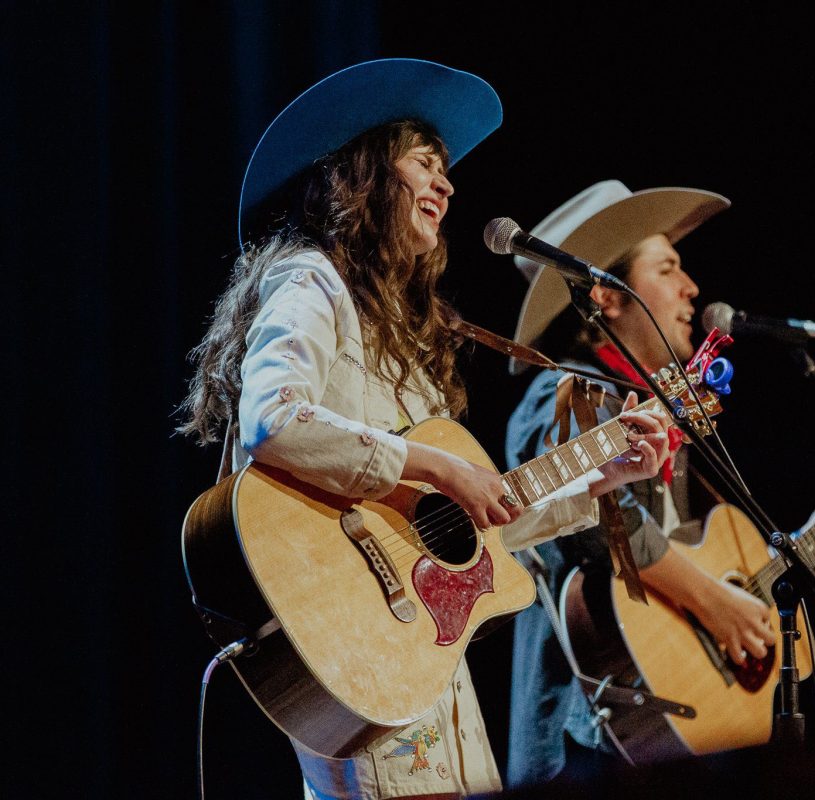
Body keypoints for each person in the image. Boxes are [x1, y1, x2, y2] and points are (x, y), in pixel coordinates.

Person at [176, 62, 671, 800]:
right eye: (425, 164)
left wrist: (606, 475)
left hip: (420, 656)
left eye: (446, 169)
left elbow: (474, 522)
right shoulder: (311, 279)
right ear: (365, 170)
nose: (446, 185)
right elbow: (272, 418)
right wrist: (439, 470)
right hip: (355, 635)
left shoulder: (402, 333)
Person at [504, 180, 815, 787]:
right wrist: (715, 603)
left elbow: (691, 577)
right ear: (607, 296)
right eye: (668, 268)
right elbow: (598, 524)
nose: (691, 288)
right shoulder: (566, 396)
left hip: (665, 740)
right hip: (585, 743)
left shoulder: (658, 409)